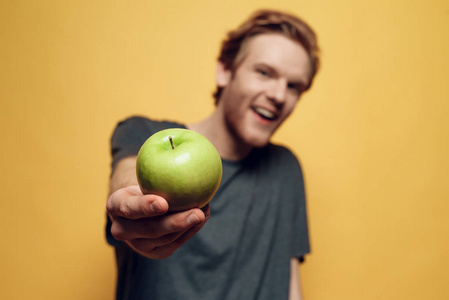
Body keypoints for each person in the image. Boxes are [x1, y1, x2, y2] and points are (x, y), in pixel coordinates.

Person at [106, 9, 320, 300]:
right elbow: (127, 176)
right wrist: (136, 208)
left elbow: (289, 279)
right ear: (225, 70)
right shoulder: (143, 134)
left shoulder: (285, 169)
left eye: (294, 86)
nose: (279, 95)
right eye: (264, 72)